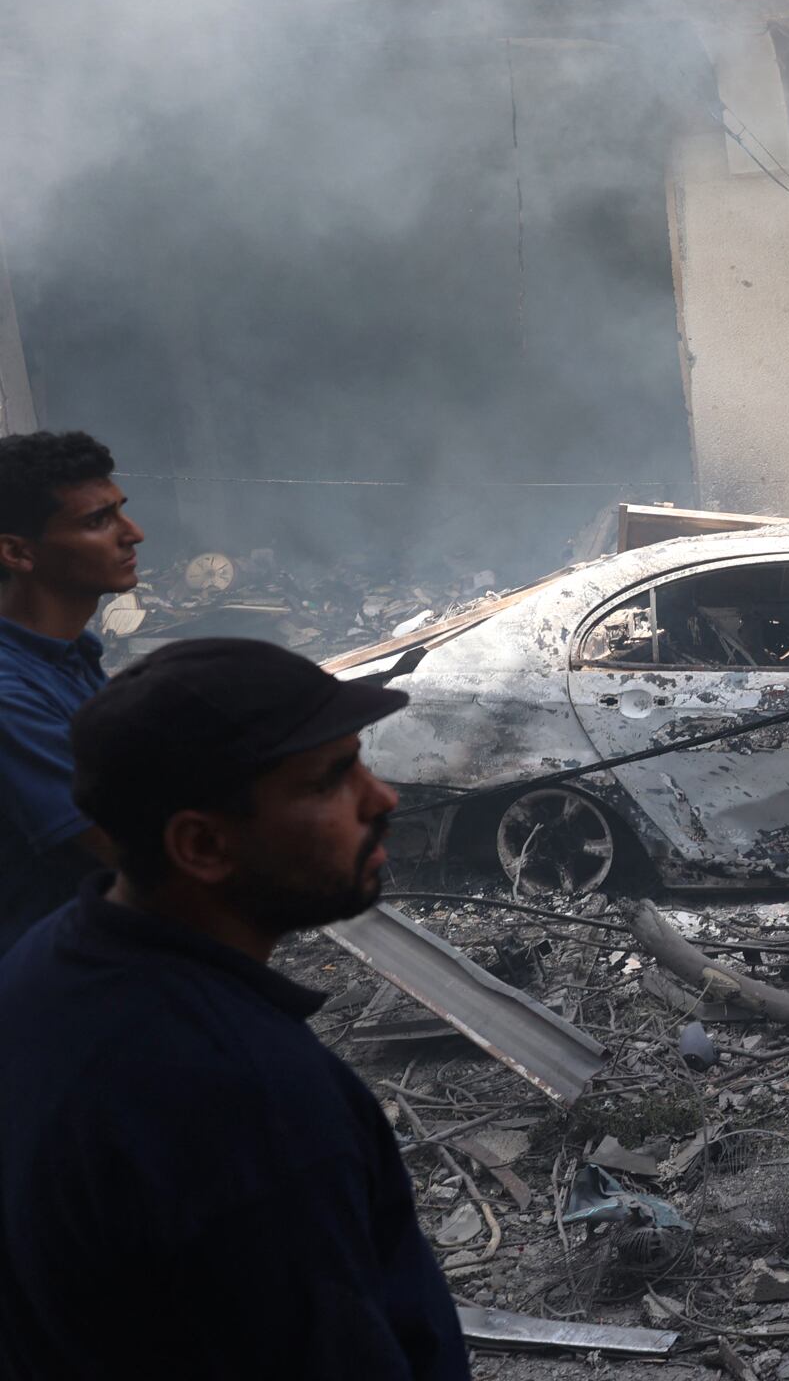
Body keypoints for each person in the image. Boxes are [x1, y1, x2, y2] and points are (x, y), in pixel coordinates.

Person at [0, 638, 470, 1379]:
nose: (382, 799)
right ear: (203, 845)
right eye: (330, 780)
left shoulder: (45, 965)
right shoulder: (249, 1104)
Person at [0, 430, 141, 948]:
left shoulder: (70, 653)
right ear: (17, 551)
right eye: (98, 521)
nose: (134, 533)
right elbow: (129, 852)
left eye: (121, 511)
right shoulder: (9, 697)